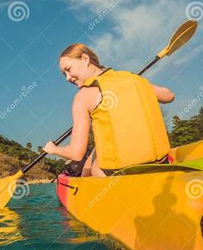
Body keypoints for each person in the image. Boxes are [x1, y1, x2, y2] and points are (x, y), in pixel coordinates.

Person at [42, 43, 174, 177]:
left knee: (94, 166)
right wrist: (139, 83)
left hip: (120, 174)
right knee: (97, 150)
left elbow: (76, 153)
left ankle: (83, 190)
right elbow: (169, 96)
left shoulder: (83, 97)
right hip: (161, 163)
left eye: (68, 69)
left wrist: (53, 149)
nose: (67, 78)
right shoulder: (132, 78)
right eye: (64, 73)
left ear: (85, 59)